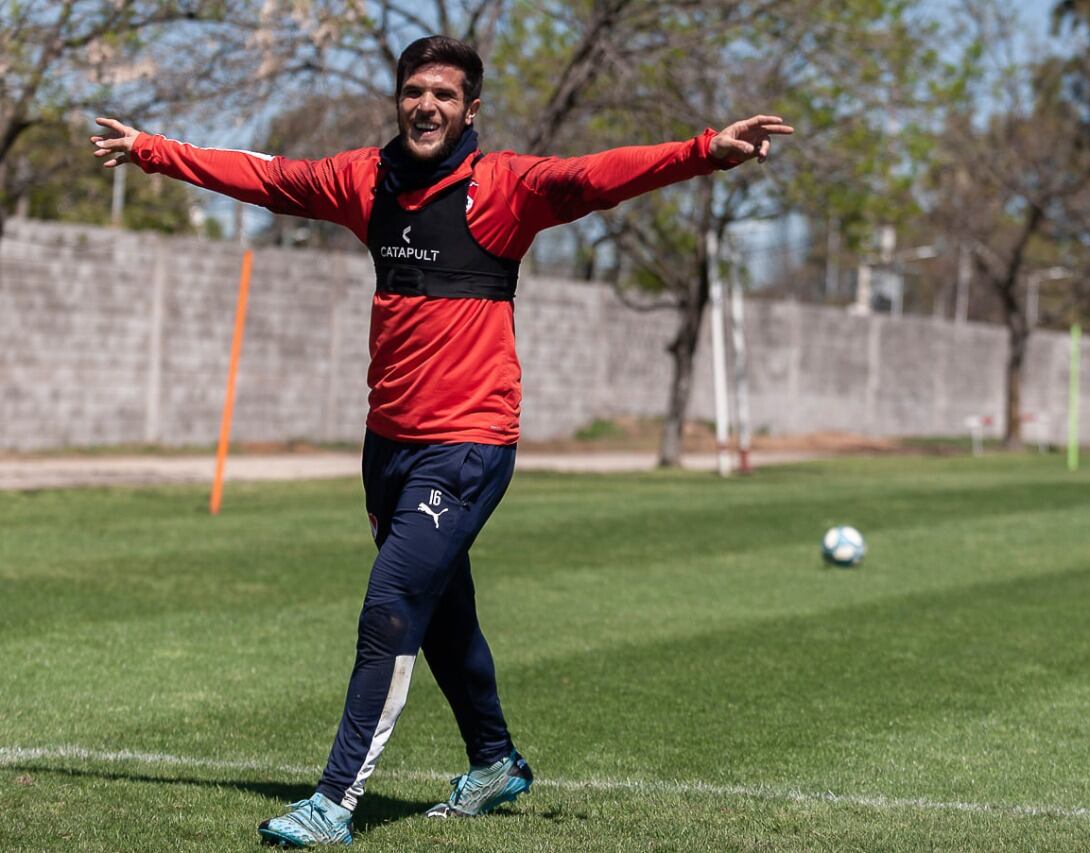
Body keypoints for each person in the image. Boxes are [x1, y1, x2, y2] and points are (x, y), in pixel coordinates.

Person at [92, 34, 791, 848]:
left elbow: (596, 175)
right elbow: (271, 177)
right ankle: (494, 760)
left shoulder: (503, 189)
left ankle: (333, 802)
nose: (426, 105)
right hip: (386, 445)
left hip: (467, 445)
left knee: (391, 605)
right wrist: (152, 151)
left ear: (470, 110)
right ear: (400, 99)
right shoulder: (366, 179)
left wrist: (704, 151)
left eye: (445, 95)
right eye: (414, 91)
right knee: (446, 615)